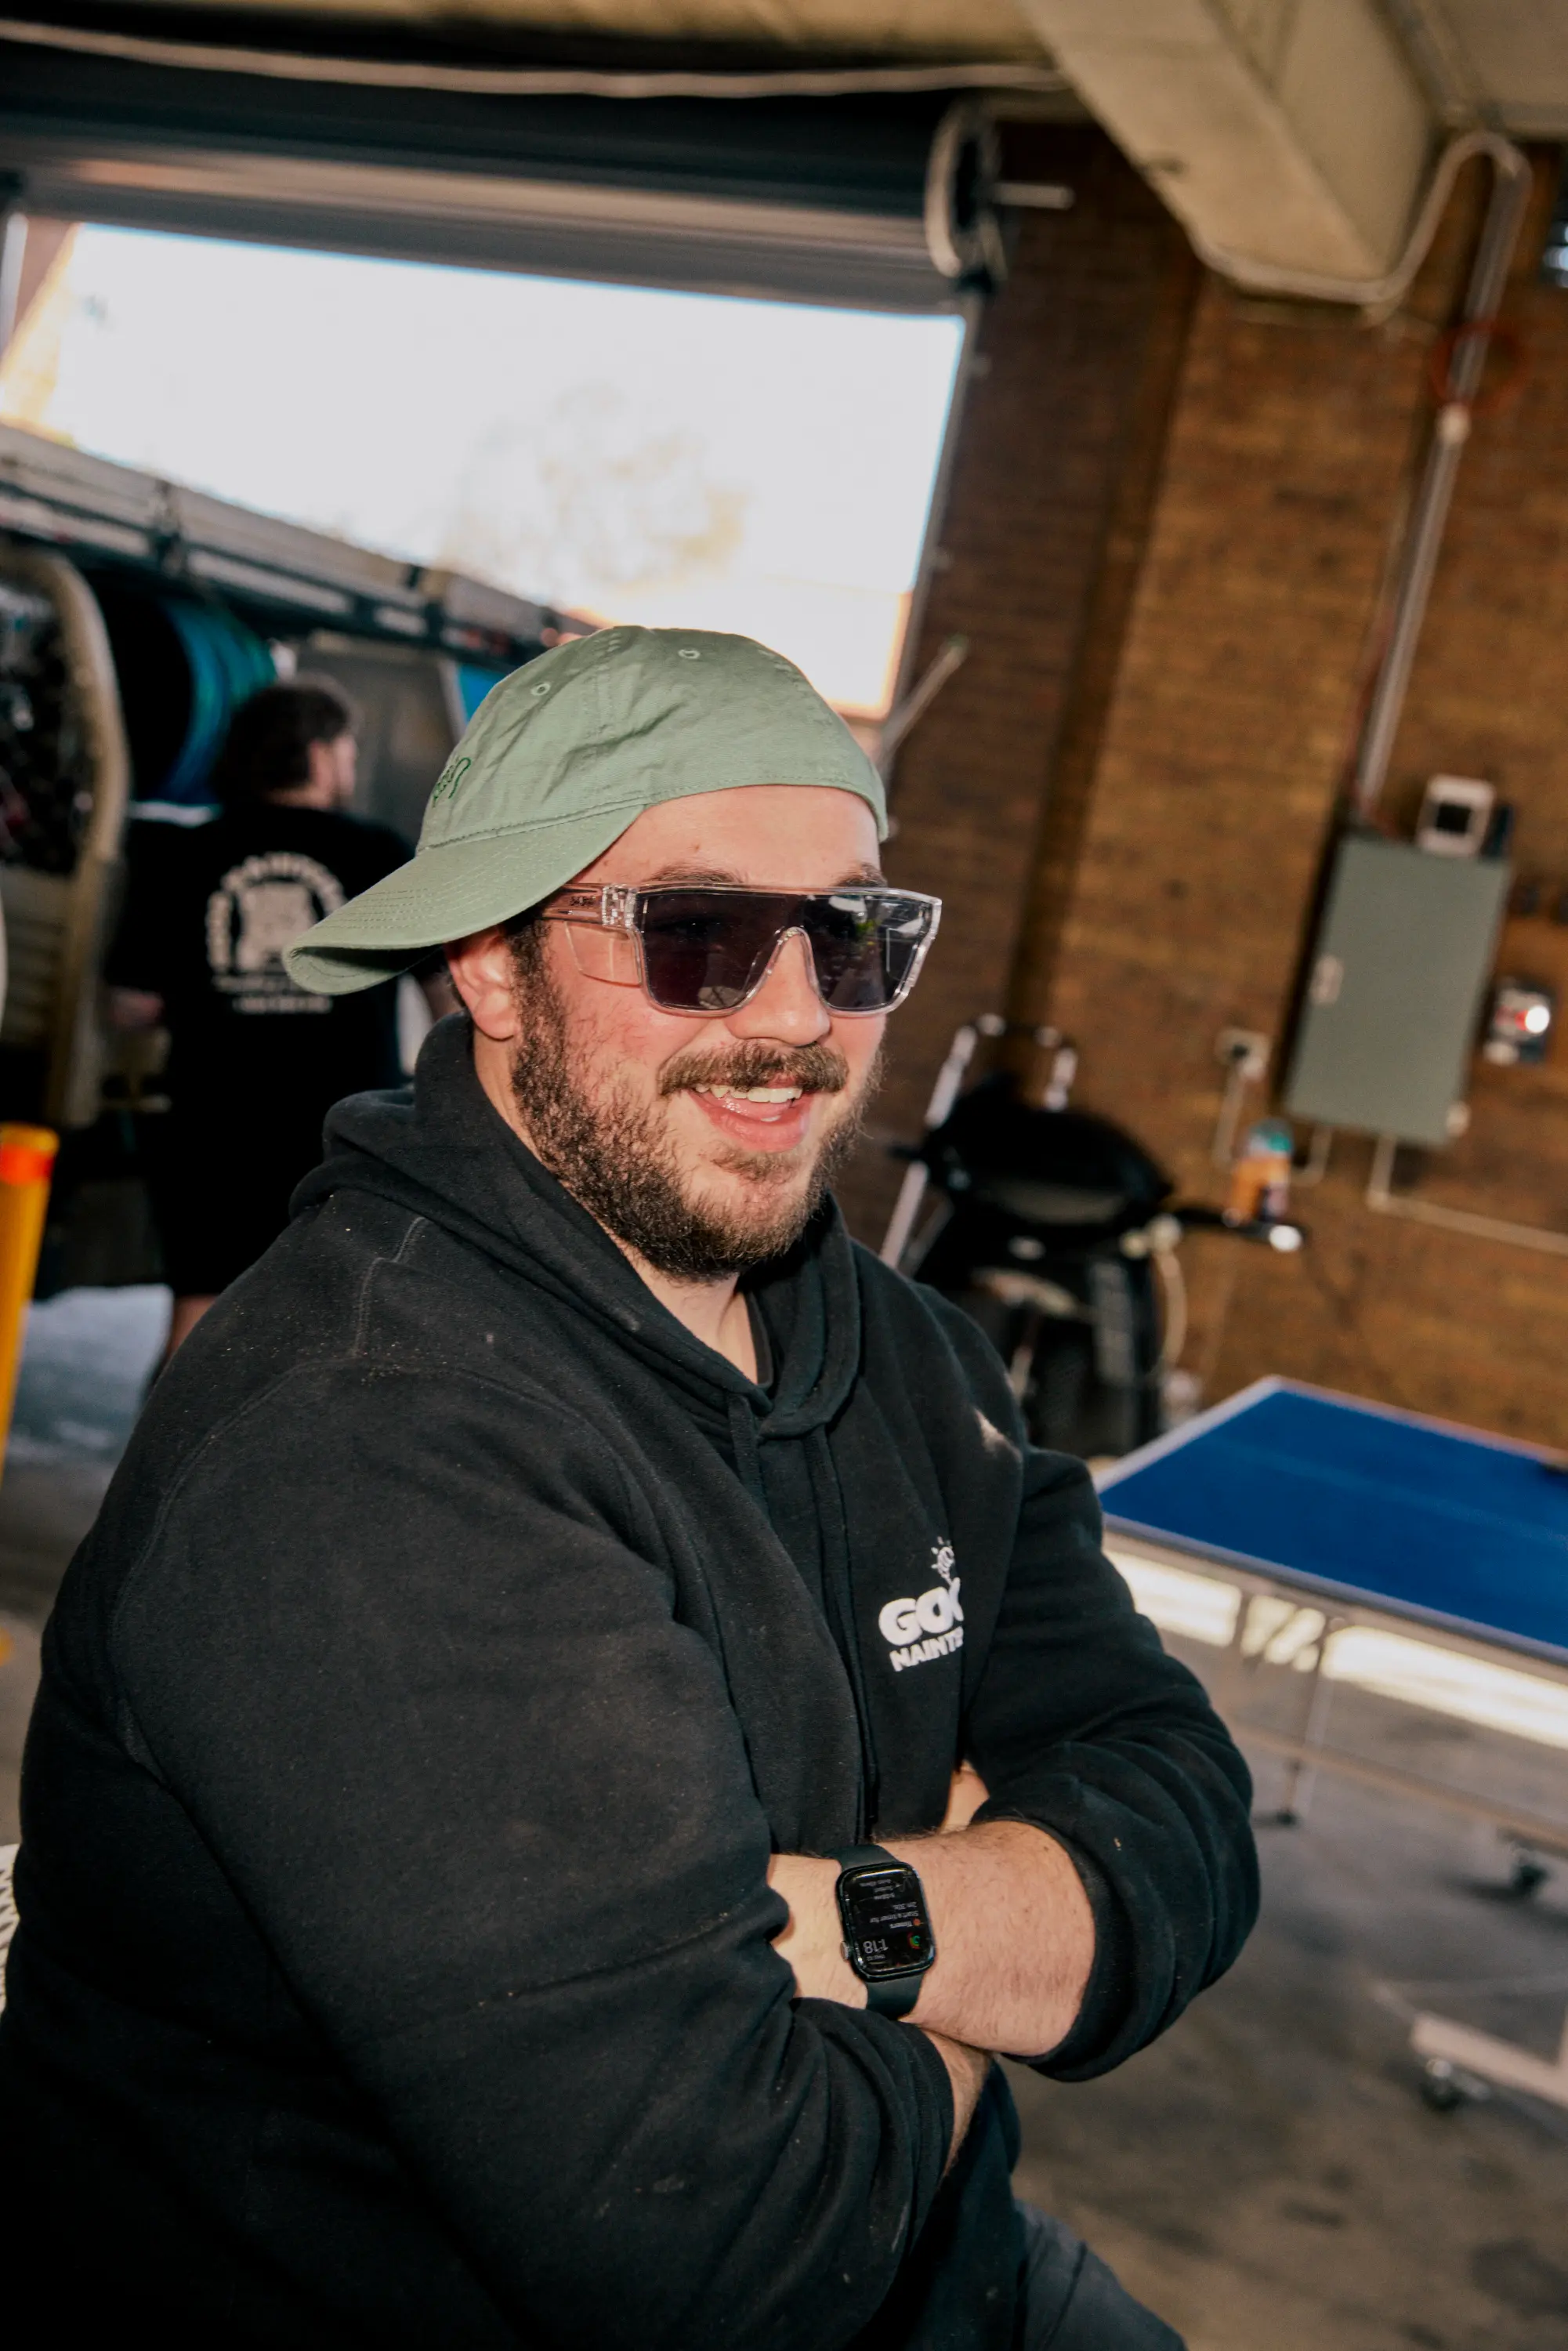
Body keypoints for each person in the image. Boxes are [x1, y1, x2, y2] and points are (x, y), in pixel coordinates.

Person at [0, 628, 1258, 2348]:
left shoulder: (910, 1357)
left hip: (950, 2259)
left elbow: (1187, 1817)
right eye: (699, 934)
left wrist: (860, 1924)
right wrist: (999, 1930)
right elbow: (729, 2246)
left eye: (852, 936)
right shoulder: (364, 1450)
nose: (796, 1017)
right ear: (491, 967)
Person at [105, 676, 440, 1359]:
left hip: (211, 1124)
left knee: (201, 1308)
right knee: (336, 1318)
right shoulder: (378, 854)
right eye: (346, 750)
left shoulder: (183, 854)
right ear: (319, 754)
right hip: (342, 1132)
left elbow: (129, 1006)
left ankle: (179, 1433)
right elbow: (448, 998)